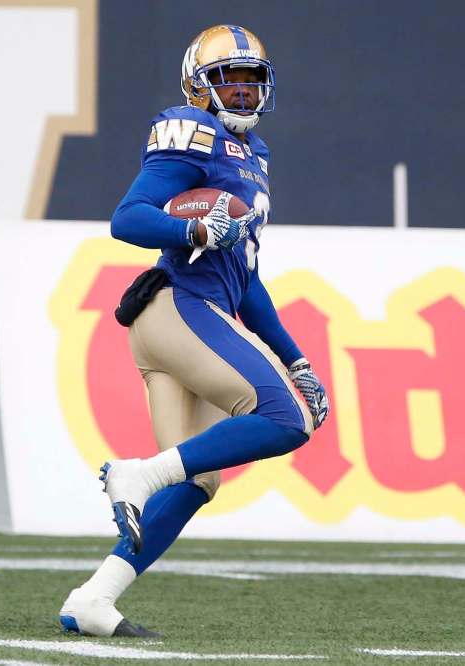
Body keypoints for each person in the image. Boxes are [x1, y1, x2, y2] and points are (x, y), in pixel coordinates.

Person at [59, 25, 330, 637]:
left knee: (198, 478)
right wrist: (197, 230)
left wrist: (296, 359)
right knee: (287, 418)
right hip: (180, 306)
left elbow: (246, 279)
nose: (243, 91)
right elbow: (128, 218)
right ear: (198, 84)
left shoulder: (255, 154)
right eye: (228, 79)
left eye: (252, 80)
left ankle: (93, 599)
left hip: (192, 315)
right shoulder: (191, 127)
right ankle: (138, 474)